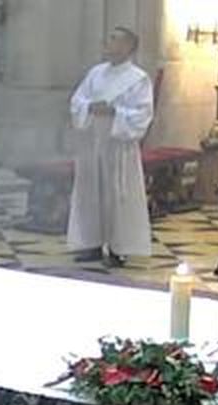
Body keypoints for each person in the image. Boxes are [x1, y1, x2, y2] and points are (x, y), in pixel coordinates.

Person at [66, 27, 153, 268]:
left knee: (118, 197)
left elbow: (143, 113)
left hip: (119, 147)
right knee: (89, 194)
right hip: (92, 142)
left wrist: (116, 112)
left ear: (128, 47)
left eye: (114, 39)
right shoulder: (96, 73)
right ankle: (90, 243)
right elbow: (77, 100)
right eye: (109, 38)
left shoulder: (138, 78)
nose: (108, 42)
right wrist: (89, 108)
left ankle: (119, 247)